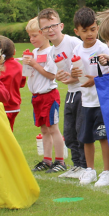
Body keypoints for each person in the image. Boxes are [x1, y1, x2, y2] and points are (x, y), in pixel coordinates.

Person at [70, 7, 109, 186]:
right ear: (77, 32)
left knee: (104, 136)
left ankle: (108, 172)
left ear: (97, 27)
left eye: (92, 29)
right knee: (86, 137)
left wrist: (96, 80)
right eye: (85, 31)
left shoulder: (103, 48)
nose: (89, 34)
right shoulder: (76, 50)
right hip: (86, 101)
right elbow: (75, 75)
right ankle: (90, 170)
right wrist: (71, 74)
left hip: (103, 101)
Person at [37, 8, 84, 177]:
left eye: (53, 26)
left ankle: (85, 167)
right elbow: (59, 73)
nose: (50, 30)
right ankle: (77, 165)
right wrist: (60, 76)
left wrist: (71, 78)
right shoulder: (52, 51)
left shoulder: (73, 43)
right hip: (71, 92)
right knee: (69, 132)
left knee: (81, 131)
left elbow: (84, 68)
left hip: (83, 92)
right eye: (45, 28)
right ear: (42, 32)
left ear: (61, 26)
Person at [22, 17, 66, 172]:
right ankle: (46, 160)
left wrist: (34, 64)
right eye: (30, 36)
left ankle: (60, 161)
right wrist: (27, 65)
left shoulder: (51, 52)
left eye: (35, 35)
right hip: (37, 97)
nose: (31, 39)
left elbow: (51, 75)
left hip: (49, 95)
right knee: (43, 130)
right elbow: (29, 73)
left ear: (44, 34)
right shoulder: (34, 52)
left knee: (53, 129)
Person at [0, 35, 25, 131]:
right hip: (14, 105)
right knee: (8, 131)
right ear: (14, 52)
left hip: (1, 106)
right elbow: (22, 83)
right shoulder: (19, 66)